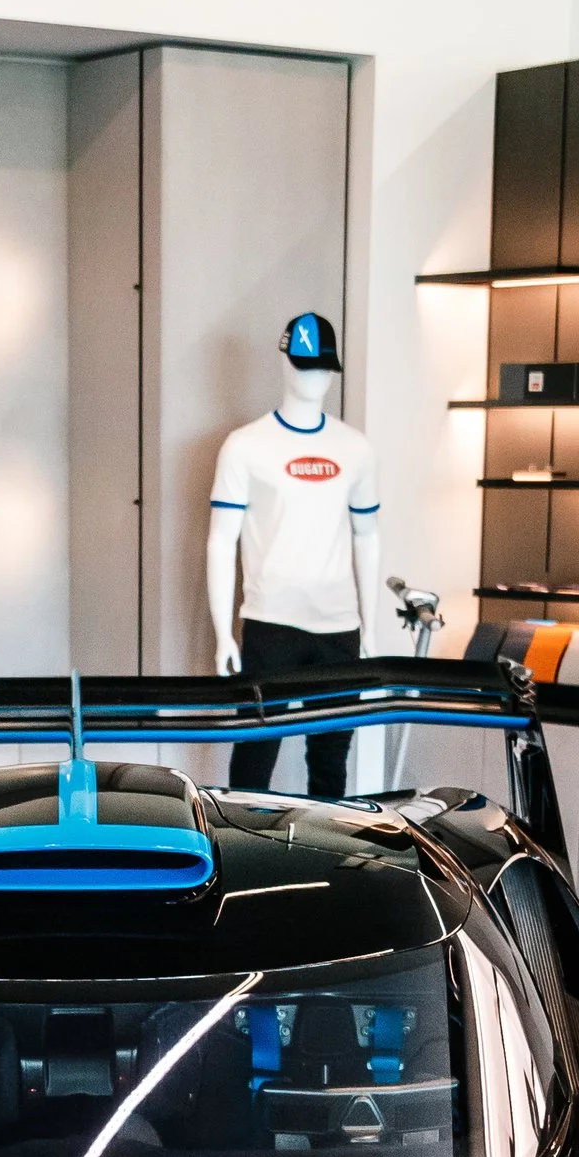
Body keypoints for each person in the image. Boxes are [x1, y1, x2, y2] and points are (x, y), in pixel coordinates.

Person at [206, 313, 382, 798]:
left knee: (330, 762)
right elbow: (222, 538)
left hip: (339, 627)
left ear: (332, 370)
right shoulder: (244, 447)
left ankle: (330, 865)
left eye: (321, 368)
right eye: (303, 366)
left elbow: (367, 535)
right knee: (254, 755)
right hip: (270, 623)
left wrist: (370, 623)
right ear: (284, 362)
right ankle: (239, 860)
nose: (312, 378)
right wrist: (224, 632)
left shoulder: (354, 449)